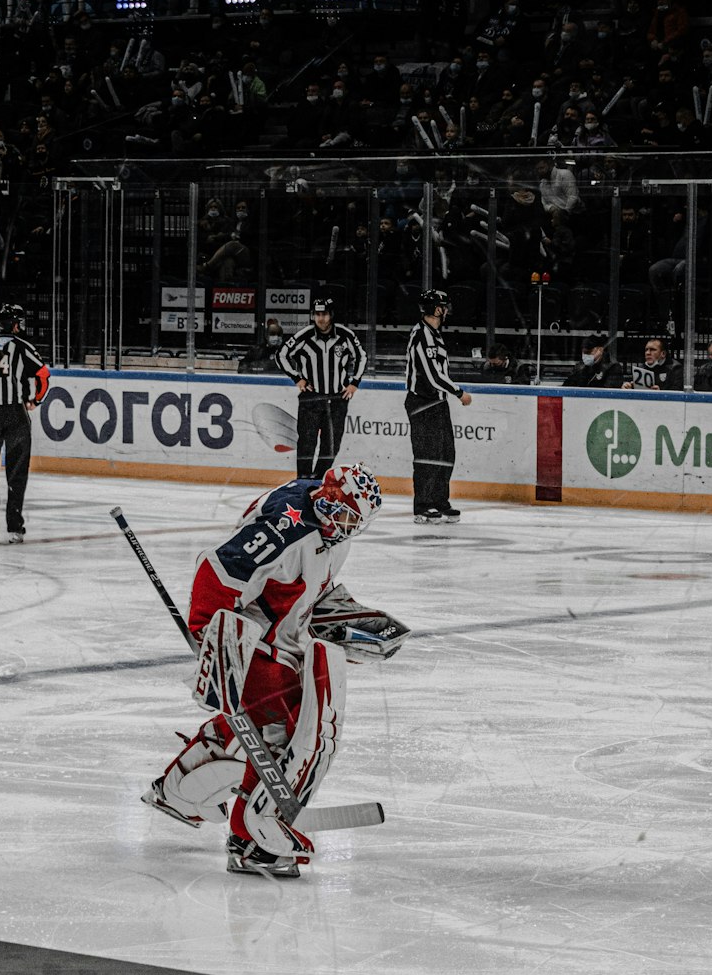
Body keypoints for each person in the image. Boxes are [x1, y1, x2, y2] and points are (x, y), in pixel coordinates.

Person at [142, 463, 407, 878]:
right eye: (340, 512)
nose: (344, 525)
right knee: (288, 729)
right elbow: (217, 570)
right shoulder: (286, 529)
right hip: (251, 642)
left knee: (258, 720)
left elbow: (308, 588)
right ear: (326, 495)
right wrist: (210, 641)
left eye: (353, 520)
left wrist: (348, 622)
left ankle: (180, 789)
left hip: (282, 639)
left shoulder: (331, 527)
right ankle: (250, 840)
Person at [276, 297, 367, 478]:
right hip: (311, 398)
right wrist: (297, 378)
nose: (321, 319)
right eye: (317, 314)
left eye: (324, 314)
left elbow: (362, 357)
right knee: (306, 443)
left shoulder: (345, 335)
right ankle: (302, 481)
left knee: (331, 445)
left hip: (336, 400)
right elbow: (281, 355)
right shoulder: (304, 336)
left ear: (331, 315)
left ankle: (318, 480)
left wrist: (354, 383)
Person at [404, 289, 473, 524]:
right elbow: (433, 375)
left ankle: (439, 500)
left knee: (445, 454)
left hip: (437, 403)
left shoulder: (434, 334)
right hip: (423, 404)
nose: (447, 310)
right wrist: (459, 392)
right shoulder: (422, 335)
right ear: (436, 309)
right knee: (427, 455)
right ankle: (423, 505)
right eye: (444, 306)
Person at [0, 302, 50, 543]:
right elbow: (43, 375)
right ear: (14, 324)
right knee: (16, 472)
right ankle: (14, 528)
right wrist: (36, 400)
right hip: (15, 414)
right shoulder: (22, 346)